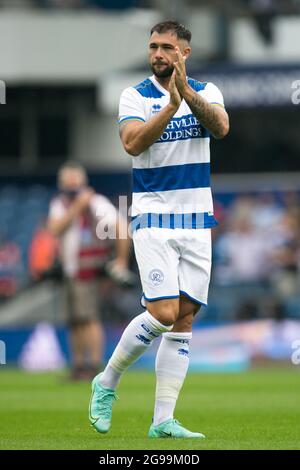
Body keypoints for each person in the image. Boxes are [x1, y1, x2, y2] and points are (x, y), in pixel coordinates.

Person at [89, 21, 229, 437]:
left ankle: (162, 421)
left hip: (196, 220)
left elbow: (221, 128)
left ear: (184, 53)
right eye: (153, 46)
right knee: (163, 313)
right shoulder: (135, 95)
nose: (158, 54)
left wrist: (185, 95)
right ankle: (107, 381)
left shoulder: (207, 91)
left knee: (184, 319)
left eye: (167, 47)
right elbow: (132, 143)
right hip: (153, 217)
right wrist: (170, 105)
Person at [48, 161, 133, 380]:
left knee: (89, 317)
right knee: (74, 319)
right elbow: (55, 229)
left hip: (91, 269)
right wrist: (77, 207)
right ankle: (78, 365)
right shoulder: (60, 204)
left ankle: (93, 364)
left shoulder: (96, 203)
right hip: (70, 269)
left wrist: (121, 261)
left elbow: (121, 226)